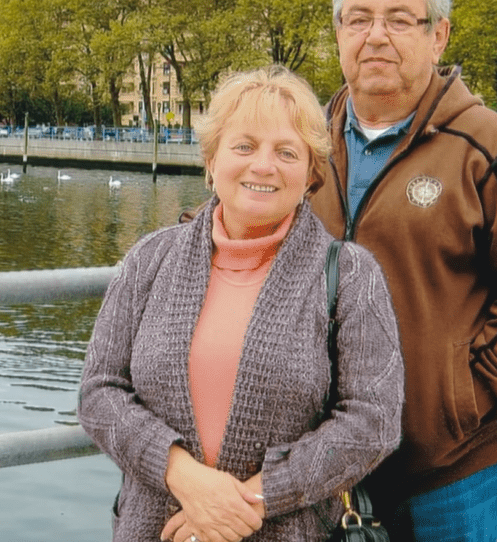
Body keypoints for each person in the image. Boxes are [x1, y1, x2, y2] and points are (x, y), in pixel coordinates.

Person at [309, 0, 497, 542]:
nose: (376, 36)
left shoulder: (486, 145)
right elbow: (243, 217)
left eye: (400, 20)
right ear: (338, 35)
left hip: (451, 467)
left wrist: (462, 402)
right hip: (328, 458)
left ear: (438, 37)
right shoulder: (306, 142)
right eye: (359, 19)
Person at [79, 66, 405, 542]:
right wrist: (184, 478)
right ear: (211, 160)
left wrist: (247, 503)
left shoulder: (352, 275)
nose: (263, 165)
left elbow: (373, 423)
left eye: (286, 152)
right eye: (244, 146)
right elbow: (99, 392)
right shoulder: (149, 259)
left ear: (312, 174)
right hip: (154, 530)